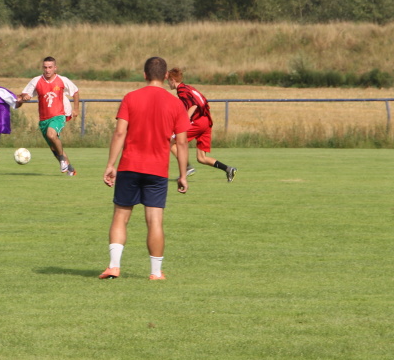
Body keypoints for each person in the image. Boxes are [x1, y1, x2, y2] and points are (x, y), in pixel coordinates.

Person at [100, 56, 190, 281]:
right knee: (155, 221)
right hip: (157, 170)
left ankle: (114, 267)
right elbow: (181, 142)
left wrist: (111, 164)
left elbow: (120, 133)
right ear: (166, 76)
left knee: (120, 216)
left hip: (129, 166)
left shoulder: (131, 97)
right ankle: (156, 272)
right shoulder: (176, 104)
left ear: (144, 75)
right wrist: (182, 175)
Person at [167, 67, 237, 182]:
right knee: (201, 158)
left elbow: (193, 105)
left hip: (198, 122)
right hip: (206, 121)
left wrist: (184, 121)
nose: (168, 84)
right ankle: (228, 169)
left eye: (168, 81)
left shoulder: (181, 90)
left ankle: (187, 168)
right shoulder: (188, 87)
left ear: (172, 80)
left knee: (170, 141)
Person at [19, 57, 80, 176]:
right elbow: (25, 94)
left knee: (51, 134)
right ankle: (71, 170)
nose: (47, 70)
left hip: (59, 115)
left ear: (55, 68)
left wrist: (76, 109)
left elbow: (75, 92)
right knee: (54, 147)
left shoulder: (62, 80)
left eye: (50, 67)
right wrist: (25, 96)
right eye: (45, 67)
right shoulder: (36, 81)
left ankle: (62, 160)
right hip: (43, 119)